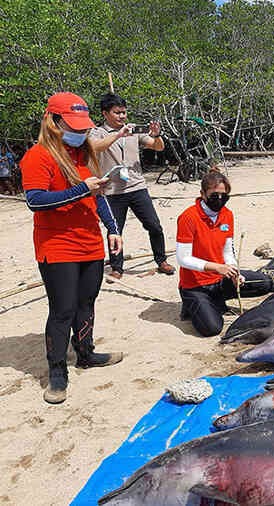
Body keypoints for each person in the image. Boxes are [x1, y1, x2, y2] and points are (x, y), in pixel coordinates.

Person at [19, 92, 124, 404]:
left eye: (84, 128)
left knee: (86, 303)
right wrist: (82, 189)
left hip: (90, 243)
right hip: (57, 246)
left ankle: (86, 353)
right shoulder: (38, 156)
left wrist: (113, 228)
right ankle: (56, 371)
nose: (81, 133)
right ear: (53, 122)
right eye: (74, 127)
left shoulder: (85, 152)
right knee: (62, 310)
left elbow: (98, 196)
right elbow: (35, 201)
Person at [175, 170, 272, 337]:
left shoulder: (227, 215)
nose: (219, 200)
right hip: (195, 286)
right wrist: (217, 268)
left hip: (220, 280)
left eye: (224, 196)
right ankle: (192, 303)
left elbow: (227, 251)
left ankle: (216, 300)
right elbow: (183, 258)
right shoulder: (188, 217)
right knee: (212, 328)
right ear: (202, 194)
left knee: (265, 283)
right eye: (214, 195)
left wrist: (234, 271)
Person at [89, 93, 174, 280]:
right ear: (105, 113)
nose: (122, 117)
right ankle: (117, 267)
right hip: (112, 191)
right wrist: (119, 134)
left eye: (124, 112)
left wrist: (157, 134)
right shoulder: (97, 132)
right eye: (117, 113)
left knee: (154, 226)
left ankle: (161, 260)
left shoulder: (134, 130)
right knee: (115, 231)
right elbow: (96, 147)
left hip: (137, 187)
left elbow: (157, 146)